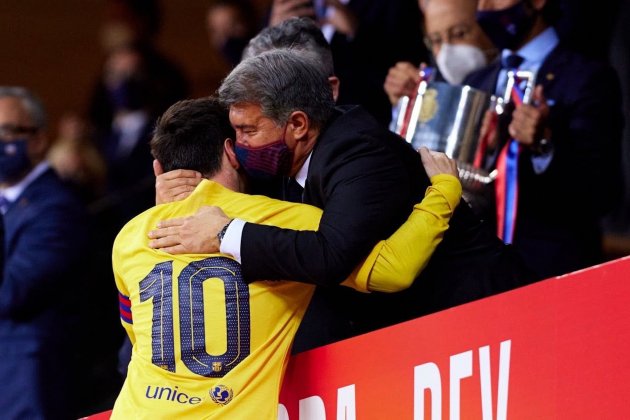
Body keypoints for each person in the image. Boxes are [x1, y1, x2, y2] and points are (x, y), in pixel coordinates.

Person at [149, 50, 534, 351]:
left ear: (298, 124)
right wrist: (177, 202)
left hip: (484, 312)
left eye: (248, 130)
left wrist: (224, 233)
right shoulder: (287, 158)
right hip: (419, 327)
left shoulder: (359, 154)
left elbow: (329, 257)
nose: (241, 144)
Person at [111, 96, 461, 418]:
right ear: (233, 153)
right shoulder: (286, 219)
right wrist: (443, 191)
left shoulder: (128, 238)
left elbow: (139, 334)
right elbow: (394, 270)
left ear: (158, 169)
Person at [463, 0, 623, 279]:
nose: (484, 6)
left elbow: (603, 193)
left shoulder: (586, 77)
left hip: (555, 273)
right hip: (482, 272)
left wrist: (544, 145)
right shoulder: (476, 81)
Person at [0, 87, 89, 419]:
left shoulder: (57, 207)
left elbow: (11, 292)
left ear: (37, 139)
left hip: (30, 381)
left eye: (7, 131)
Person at [266, 0, 429, 126]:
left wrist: (357, 32)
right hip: (297, 125)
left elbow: (405, 73)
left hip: (364, 129)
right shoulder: (288, 6)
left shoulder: (393, 5)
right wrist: (271, 35)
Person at [384, 0, 496, 107]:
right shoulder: (432, 85)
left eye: (459, 33)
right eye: (436, 40)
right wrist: (404, 102)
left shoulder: (508, 79)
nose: (447, 49)